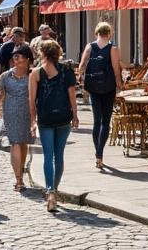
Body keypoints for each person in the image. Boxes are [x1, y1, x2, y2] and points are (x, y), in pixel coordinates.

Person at [29, 38, 78, 212]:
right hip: (64, 117)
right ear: (58, 53)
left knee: (48, 156)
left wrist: (33, 121)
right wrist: (75, 114)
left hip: (45, 118)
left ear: (41, 53)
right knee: (59, 155)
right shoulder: (66, 70)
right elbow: (72, 94)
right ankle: (55, 190)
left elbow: (32, 101)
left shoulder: (35, 73)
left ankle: (50, 192)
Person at [76, 22, 123, 169]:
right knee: (105, 121)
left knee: (97, 121)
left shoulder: (90, 46)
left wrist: (81, 79)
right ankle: (99, 154)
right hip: (108, 87)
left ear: (96, 33)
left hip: (93, 87)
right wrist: (119, 84)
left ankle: (98, 155)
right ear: (109, 33)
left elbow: (81, 66)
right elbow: (116, 68)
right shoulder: (113, 48)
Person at [0, 44, 34, 192]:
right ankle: (19, 179)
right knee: (15, 142)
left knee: (23, 143)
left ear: (27, 59)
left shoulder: (33, 76)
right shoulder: (6, 75)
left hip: (27, 112)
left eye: (20, 55)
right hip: (11, 112)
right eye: (15, 55)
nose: (16, 57)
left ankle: (20, 171)